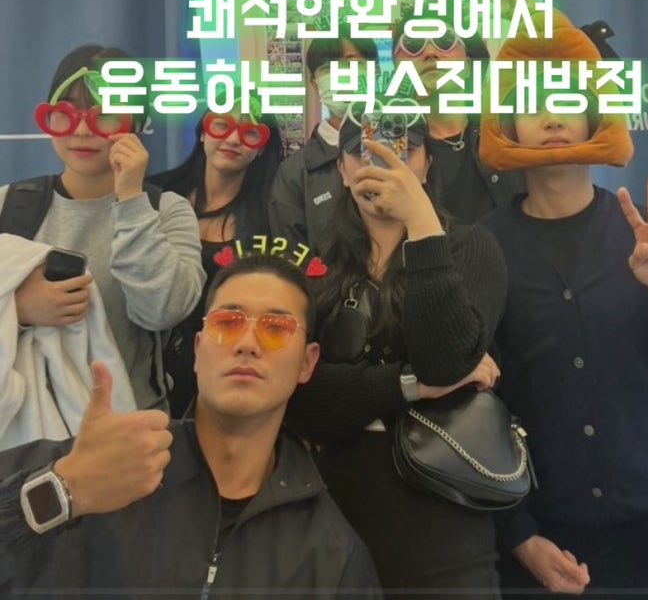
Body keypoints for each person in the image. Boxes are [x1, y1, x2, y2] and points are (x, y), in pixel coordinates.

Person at [478, 11, 648, 599]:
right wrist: (517, 534)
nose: (551, 117)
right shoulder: (480, 250)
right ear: (507, 121)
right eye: (532, 102)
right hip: (546, 551)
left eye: (567, 99)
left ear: (596, 113)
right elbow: (470, 409)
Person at [0, 254, 381, 599]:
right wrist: (62, 490)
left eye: (277, 327)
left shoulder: (332, 554)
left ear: (307, 363)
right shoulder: (89, 469)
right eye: (228, 322)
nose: (247, 343)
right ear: (198, 350)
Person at [287, 103, 508, 598]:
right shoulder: (317, 269)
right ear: (342, 170)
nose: (384, 161)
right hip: (336, 513)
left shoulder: (470, 247)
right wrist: (411, 384)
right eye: (363, 150)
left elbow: (445, 360)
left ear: (428, 165)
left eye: (404, 149)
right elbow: (303, 397)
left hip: (446, 509)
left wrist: (422, 225)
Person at [0, 45, 205, 411]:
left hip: (129, 423)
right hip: (23, 427)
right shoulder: (8, 204)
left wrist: (131, 201)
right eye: (66, 113)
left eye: (105, 114)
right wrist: (18, 308)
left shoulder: (166, 211)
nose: (81, 130)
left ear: (137, 123)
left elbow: (162, 310)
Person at [149, 95, 281, 416]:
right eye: (222, 125)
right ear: (203, 133)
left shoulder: (270, 218)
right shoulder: (153, 195)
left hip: (227, 367)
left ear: (262, 148)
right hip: (149, 363)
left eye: (250, 132)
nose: (233, 139)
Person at [390, 4, 525, 222]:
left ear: (468, 65)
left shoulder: (510, 131)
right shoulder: (388, 149)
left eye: (445, 41)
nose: (430, 53)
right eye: (413, 44)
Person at [268, 25, 379, 253]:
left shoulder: (407, 149)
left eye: (352, 62)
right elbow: (292, 259)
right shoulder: (295, 173)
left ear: (375, 71)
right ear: (314, 83)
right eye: (328, 67)